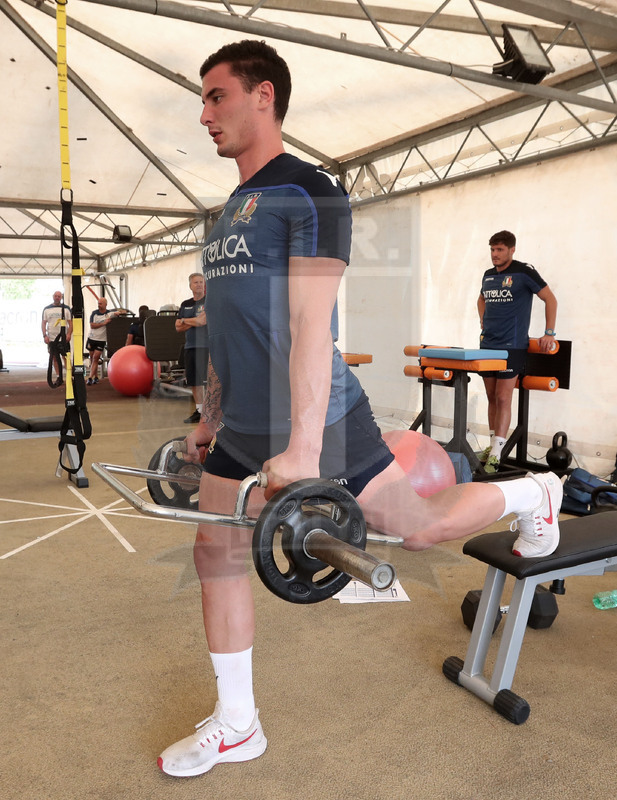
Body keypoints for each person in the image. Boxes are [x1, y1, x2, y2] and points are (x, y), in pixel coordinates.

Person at [157, 40, 563, 779]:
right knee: (212, 552)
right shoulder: (224, 216)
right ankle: (237, 722)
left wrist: (306, 445)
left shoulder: (310, 192)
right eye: (203, 98)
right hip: (245, 424)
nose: (203, 113)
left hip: (320, 418)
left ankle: (535, 493)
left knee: (417, 530)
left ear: (263, 97)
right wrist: (211, 416)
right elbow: (227, 329)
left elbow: (315, 326)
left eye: (216, 95)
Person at [477, 231, 558, 472]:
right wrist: (482, 320)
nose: (495, 254)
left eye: (500, 250)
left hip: (512, 346)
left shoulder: (524, 272)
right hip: (487, 345)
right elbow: (480, 299)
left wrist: (549, 332)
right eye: (492, 249)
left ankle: (498, 452)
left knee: (503, 398)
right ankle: (493, 444)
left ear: (512, 250)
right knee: (491, 397)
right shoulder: (488, 275)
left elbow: (550, 299)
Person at [175, 273, 208, 423]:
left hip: (206, 346)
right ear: (190, 286)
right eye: (196, 282)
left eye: (201, 282)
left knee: (208, 381)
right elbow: (177, 328)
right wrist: (192, 321)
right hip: (190, 346)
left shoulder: (209, 301)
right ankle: (199, 411)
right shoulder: (185, 304)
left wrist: (184, 320)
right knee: (194, 381)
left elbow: (203, 321)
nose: (199, 284)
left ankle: (210, 412)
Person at [86, 296, 123, 385]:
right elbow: (92, 325)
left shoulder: (109, 314)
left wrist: (119, 312)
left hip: (101, 340)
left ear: (105, 304)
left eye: (101, 304)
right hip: (91, 338)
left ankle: (90, 378)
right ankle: (96, 377)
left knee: (96, 357)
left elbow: (122, 312)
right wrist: (103, 323)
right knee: (92, 358)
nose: (99, 305)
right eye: (98, 303)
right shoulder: (94, 313)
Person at [41, 290, 73, 382]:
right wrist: (44, 335)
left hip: (63, 338)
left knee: (66, 357)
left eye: (59, 296)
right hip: (52, 338)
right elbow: (43, 323)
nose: (57, 297)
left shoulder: (66, 309)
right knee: (54, 358)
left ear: (61, 297)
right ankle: (59, 377)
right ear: (53, 297)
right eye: (55, 296)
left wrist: (69, 334)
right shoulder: (47, 309)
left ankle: (69, 376)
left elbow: (70, 323)